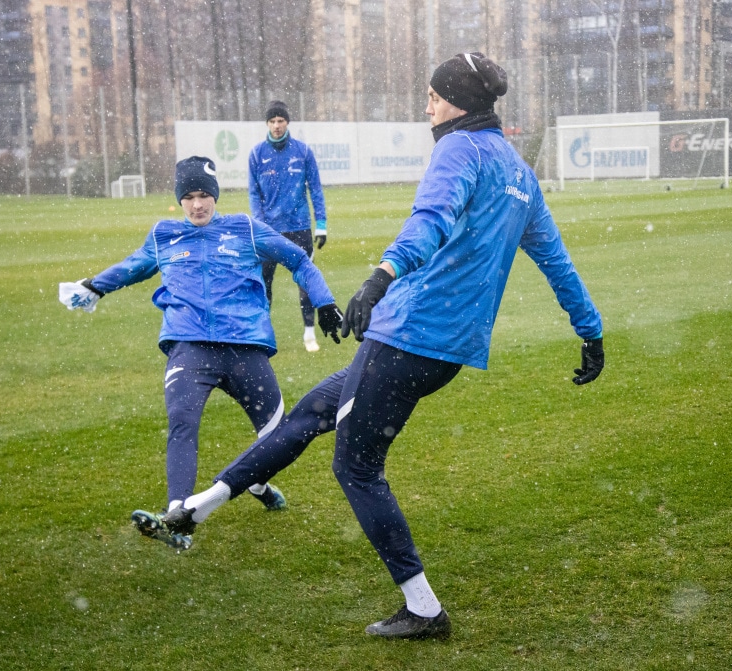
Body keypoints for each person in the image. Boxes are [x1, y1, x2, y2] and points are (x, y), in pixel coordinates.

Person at [149, 53, 604, 639]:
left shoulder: (458, 150)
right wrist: (589, 330)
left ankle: (423, 609)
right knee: (315, 410)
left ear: (460, 103)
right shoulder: (519, 173)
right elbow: (556, 260)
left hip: (412, 335)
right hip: (445, 346)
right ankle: (198, 507)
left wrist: (381, 275)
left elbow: (430, 219)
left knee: (357, 466)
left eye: (434, 96)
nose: (427, 105)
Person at [58, 155, 343, 550]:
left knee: (277, 436)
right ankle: (177, 518)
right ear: (179, 200)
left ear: (215, 196)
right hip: (189, 347)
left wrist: (325, 302)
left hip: (245, 347)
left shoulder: (244, 227)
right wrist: (94, 286)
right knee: (182, 421)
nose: (197, 204)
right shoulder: (164, 236)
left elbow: (297, 259)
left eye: (204, 195)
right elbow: (133, 266)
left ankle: (257, 483)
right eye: (189, 196)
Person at [249, 100, 329, 353]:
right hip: (269, 230)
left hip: (299, 228)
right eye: (272, 121)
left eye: (280, 120)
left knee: (305, 281)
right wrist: (260, 225)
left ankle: (309, 334)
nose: (276, 126)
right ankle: (262, 335)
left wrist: (322, 224)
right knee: (264, 284)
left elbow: (315, 189)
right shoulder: (256, 154)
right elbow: (254, 194)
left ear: (287, 122)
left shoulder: (303, 152)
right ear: (267, 124)